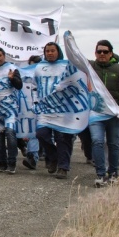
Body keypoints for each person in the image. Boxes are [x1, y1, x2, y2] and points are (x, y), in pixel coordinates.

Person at [88, 40, 119, 183]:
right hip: (96, 114)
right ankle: (101, 174)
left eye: (105, 52)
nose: (102, 54)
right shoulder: (89, 68)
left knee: (114, 144)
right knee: (97, 141)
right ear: (95, 53)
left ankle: (113, 173)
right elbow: (74, 59)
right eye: (99, 51)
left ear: (111, 53)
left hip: (114, 115)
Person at [34, 42, 77, 180]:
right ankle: (53, 157)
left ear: (58, 51)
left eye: (53, 50)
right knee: (41, 134)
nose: (50, 53)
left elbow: (75, 83)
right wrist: (35, 101)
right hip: (45, 108)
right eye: (47, 51)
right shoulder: (39, 67)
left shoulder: (66, 66)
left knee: (62, 138)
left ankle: (63, 167)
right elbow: (35, 86)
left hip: (63, 109)